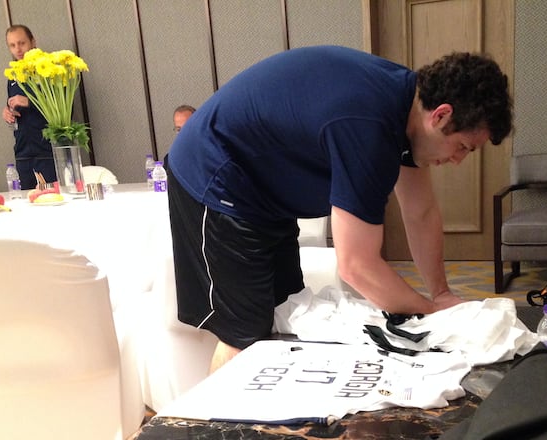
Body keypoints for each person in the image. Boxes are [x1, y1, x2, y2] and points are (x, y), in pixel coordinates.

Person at [166, 45, 513, 373]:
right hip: (213, 176)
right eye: (463, 147)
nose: (456, 161)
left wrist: (441, 294)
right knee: (245, 335)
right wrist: (431, 312)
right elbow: (356, 266)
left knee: (288, 313)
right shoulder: (369, 128)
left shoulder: (406, 105)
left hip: (264, 193)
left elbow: (420, 212)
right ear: (441, 115)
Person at [1, 24, 56, 189]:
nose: (18, 49)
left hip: (48, 153)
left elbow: (63, 110)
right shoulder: (13, 76)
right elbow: (13, 105)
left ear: (33, 42)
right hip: (23, 154)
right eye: (12, 45)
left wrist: (29, 101)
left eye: (21, 43)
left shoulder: (49, 70)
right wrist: (7, 112)